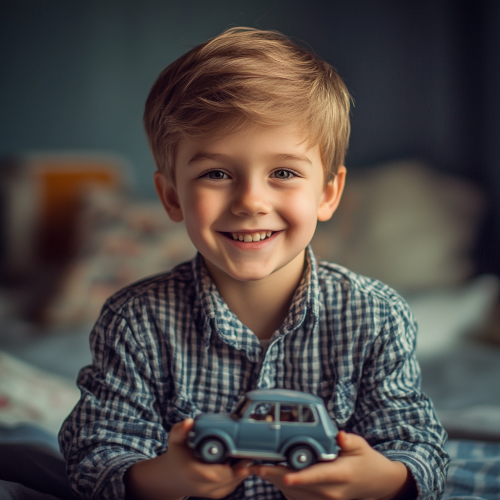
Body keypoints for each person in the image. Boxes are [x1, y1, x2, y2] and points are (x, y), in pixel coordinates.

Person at [59, 27, 449, 500]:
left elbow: (417, 445)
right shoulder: (135, 322)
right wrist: (169, 477)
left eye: (283, 173)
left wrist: (383, 481)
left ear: (328, 193)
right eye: (216, 173)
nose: (250, 201)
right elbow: (94, 455)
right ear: (171, 196)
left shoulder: (377, 316)